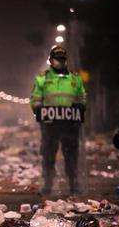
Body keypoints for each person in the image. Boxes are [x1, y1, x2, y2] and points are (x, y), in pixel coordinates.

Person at [30, 46, 87, 195]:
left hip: (70, 124)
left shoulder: (75, 78)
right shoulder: (43, 78)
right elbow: (35, 98)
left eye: (62, 59)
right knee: (48, 155)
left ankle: (73, 185)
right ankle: (47, 185)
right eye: (57, 59)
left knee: (71, 155)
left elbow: (82, 97)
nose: (60, 62)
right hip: (50, 125)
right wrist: (37, 109)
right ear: (50, 60)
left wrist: (81, 106)